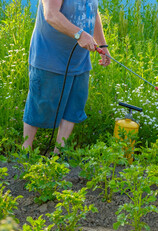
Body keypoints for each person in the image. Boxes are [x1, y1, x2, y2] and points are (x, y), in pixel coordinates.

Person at [22, 0, 111, 154]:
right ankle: (25, 153)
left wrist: (102, 45)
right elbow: (51, 15)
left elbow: (93, 13)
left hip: (80, 60)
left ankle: (59, 154)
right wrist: (79, 34)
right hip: (49, 56)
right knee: (39, 105)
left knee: (73, 107)